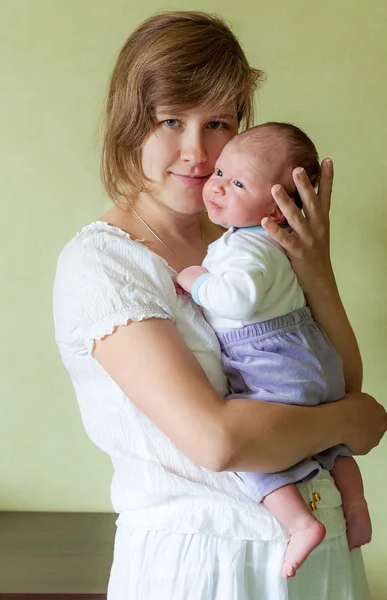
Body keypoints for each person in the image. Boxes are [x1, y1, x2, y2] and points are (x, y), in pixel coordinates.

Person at [53, 11, 386, 600]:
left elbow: (332, 378)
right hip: (205, 565)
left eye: (218, 124)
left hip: (322, 553)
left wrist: (315, 264)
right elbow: (218, 441)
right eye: (170, 121)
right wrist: (350, 421)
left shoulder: (242, 242)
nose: (197, 152)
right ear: (130, 122)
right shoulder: (104, 264)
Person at [174, 121, 372, 578]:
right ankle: (355, 504)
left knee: (258, 452)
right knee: (329, 443)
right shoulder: (271, 245)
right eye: (221, 172)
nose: (217, 186)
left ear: (278, 209)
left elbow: (236, 298)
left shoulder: (250, 248)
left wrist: (195, 280)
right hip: (310, 353)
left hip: (270, 359)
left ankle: (300, 523)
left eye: (238, 183)